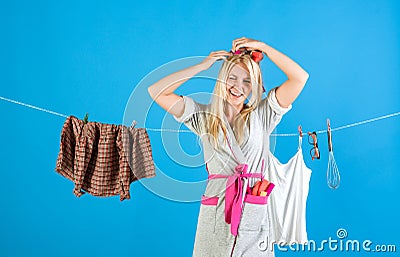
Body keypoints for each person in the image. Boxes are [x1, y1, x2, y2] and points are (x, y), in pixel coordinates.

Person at [148, 37, 309, 257]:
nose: (238, 87)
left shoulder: (263, 115)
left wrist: (264, 48)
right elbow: (157, 91)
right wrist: (202, 66)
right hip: (215, 214)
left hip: (253, 209)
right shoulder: (204, 117)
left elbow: (300, 78)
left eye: (246, 81)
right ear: (222, 80)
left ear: (254, 86)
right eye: (232, 78)